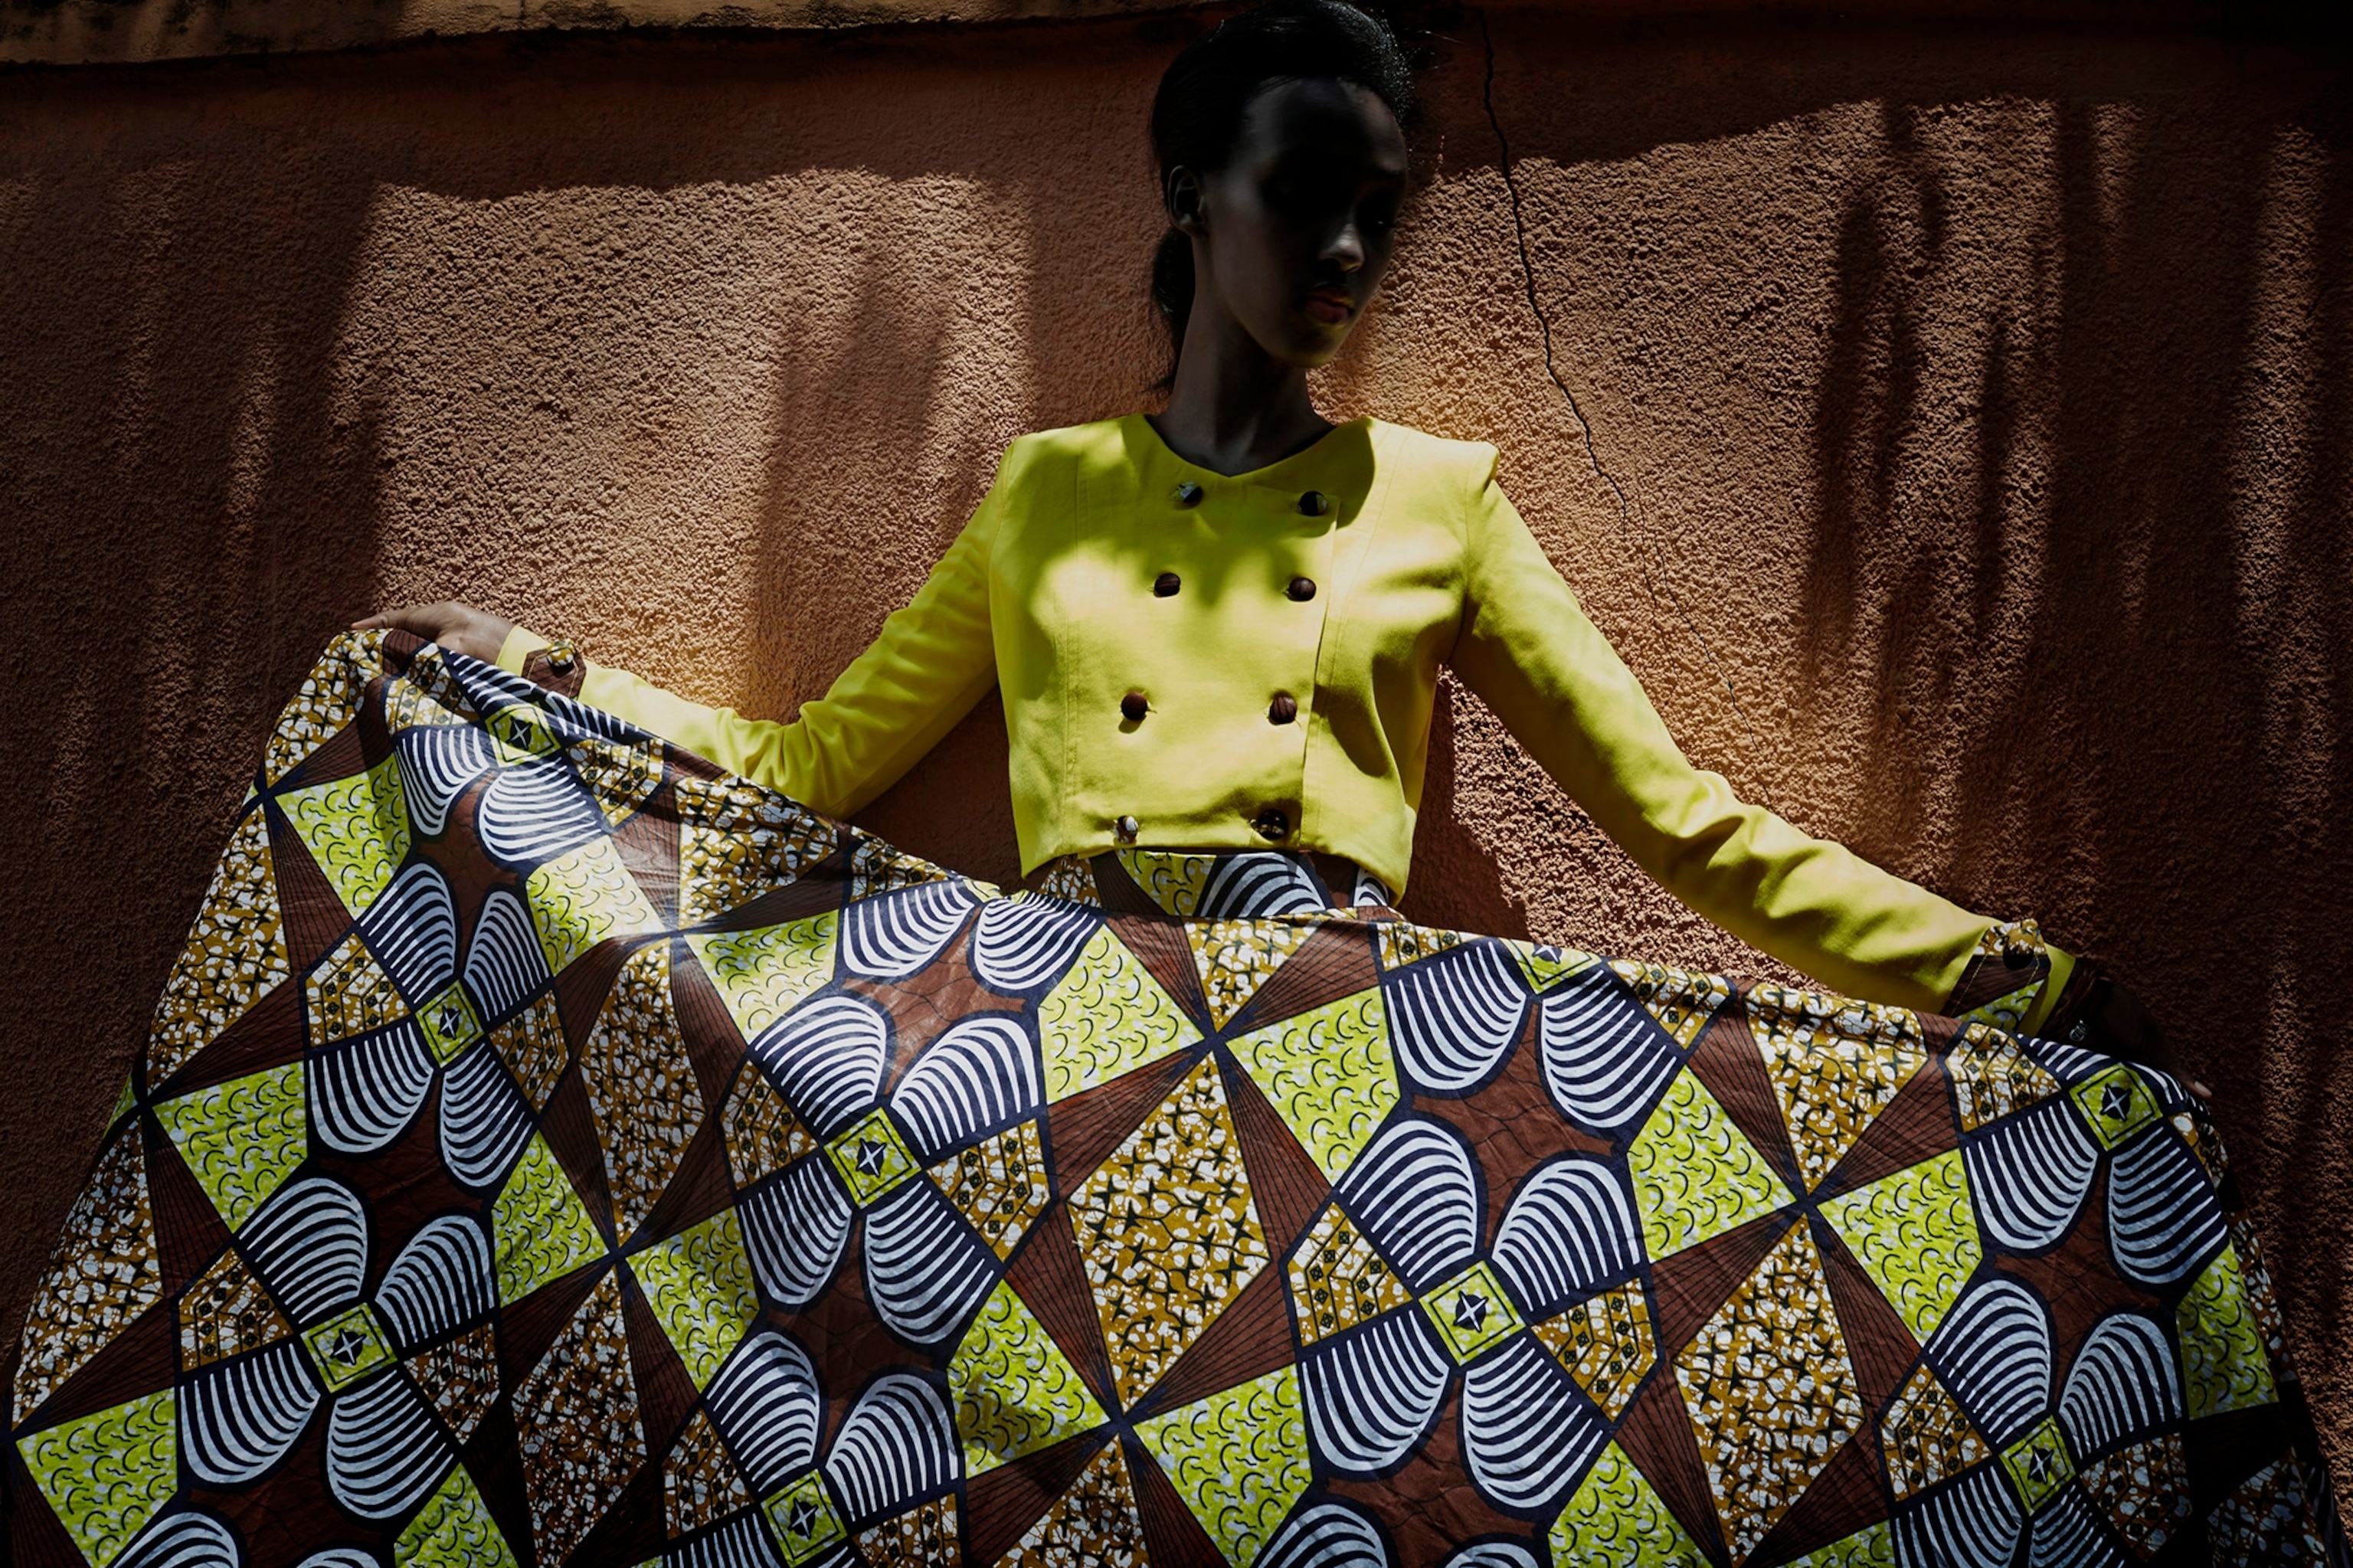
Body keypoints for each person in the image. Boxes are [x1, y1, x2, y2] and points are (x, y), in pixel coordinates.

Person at [362, 0, 2186, 1082]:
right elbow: (809, 768)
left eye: (1375, 213)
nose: (1341, 253)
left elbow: (1679, 821)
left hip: (1340, 1060)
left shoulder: (1438, 502)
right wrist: (514, 676)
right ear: (1191, 191)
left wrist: (2004, 980)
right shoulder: (1047, 495)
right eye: (1302, 195)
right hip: (1059, 1043)